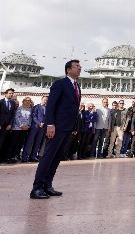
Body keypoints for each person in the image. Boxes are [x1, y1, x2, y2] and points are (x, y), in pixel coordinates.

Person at [30, 59, 82, 199]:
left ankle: (47, 185)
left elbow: (73, 109)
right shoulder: (60, 84)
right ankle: (37, 188)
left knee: (57, 157)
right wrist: (50, 124)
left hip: (67, 128)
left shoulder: (77, 86)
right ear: (68, 70)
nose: (79, 68)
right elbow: (51, 105)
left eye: (80, 66)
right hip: (56, 127)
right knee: (48, 157)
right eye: (76, 66)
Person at [23, 95, 47, 162]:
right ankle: (25, 157)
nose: (45, 101)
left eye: (47, 100)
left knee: (37, 143)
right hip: (35, 127)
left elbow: (47, 117)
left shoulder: (47, 108)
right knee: (30, 142)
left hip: (42, 128)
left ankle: (33, 157)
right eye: (44, 100)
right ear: (42, 100)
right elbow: (33, 116)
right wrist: (39, 123)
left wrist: (43, 123)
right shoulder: (36, 107)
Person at [9, 97, 33, 163]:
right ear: (23, 101)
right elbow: (17, 118)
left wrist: (28, 126)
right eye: (26, 100)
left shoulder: (30, 109)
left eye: (29, 101)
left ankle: (16, 156)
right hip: (17, 128)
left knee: (20, 143)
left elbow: (30, 119)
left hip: (25, 129)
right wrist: (21, 125)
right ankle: (10, 156)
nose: (27, 102)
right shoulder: (19, 109)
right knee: (14, 143)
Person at [0, 88, 18, 162]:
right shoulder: (1, 102)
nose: (11, 95)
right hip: (1, 125)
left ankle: (2, 158)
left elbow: (13, 115)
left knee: (4, 142)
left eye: (12, 93)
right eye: (10, 93)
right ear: (6, 94)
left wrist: (10, 124)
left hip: (8, 126)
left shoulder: (13, 103)